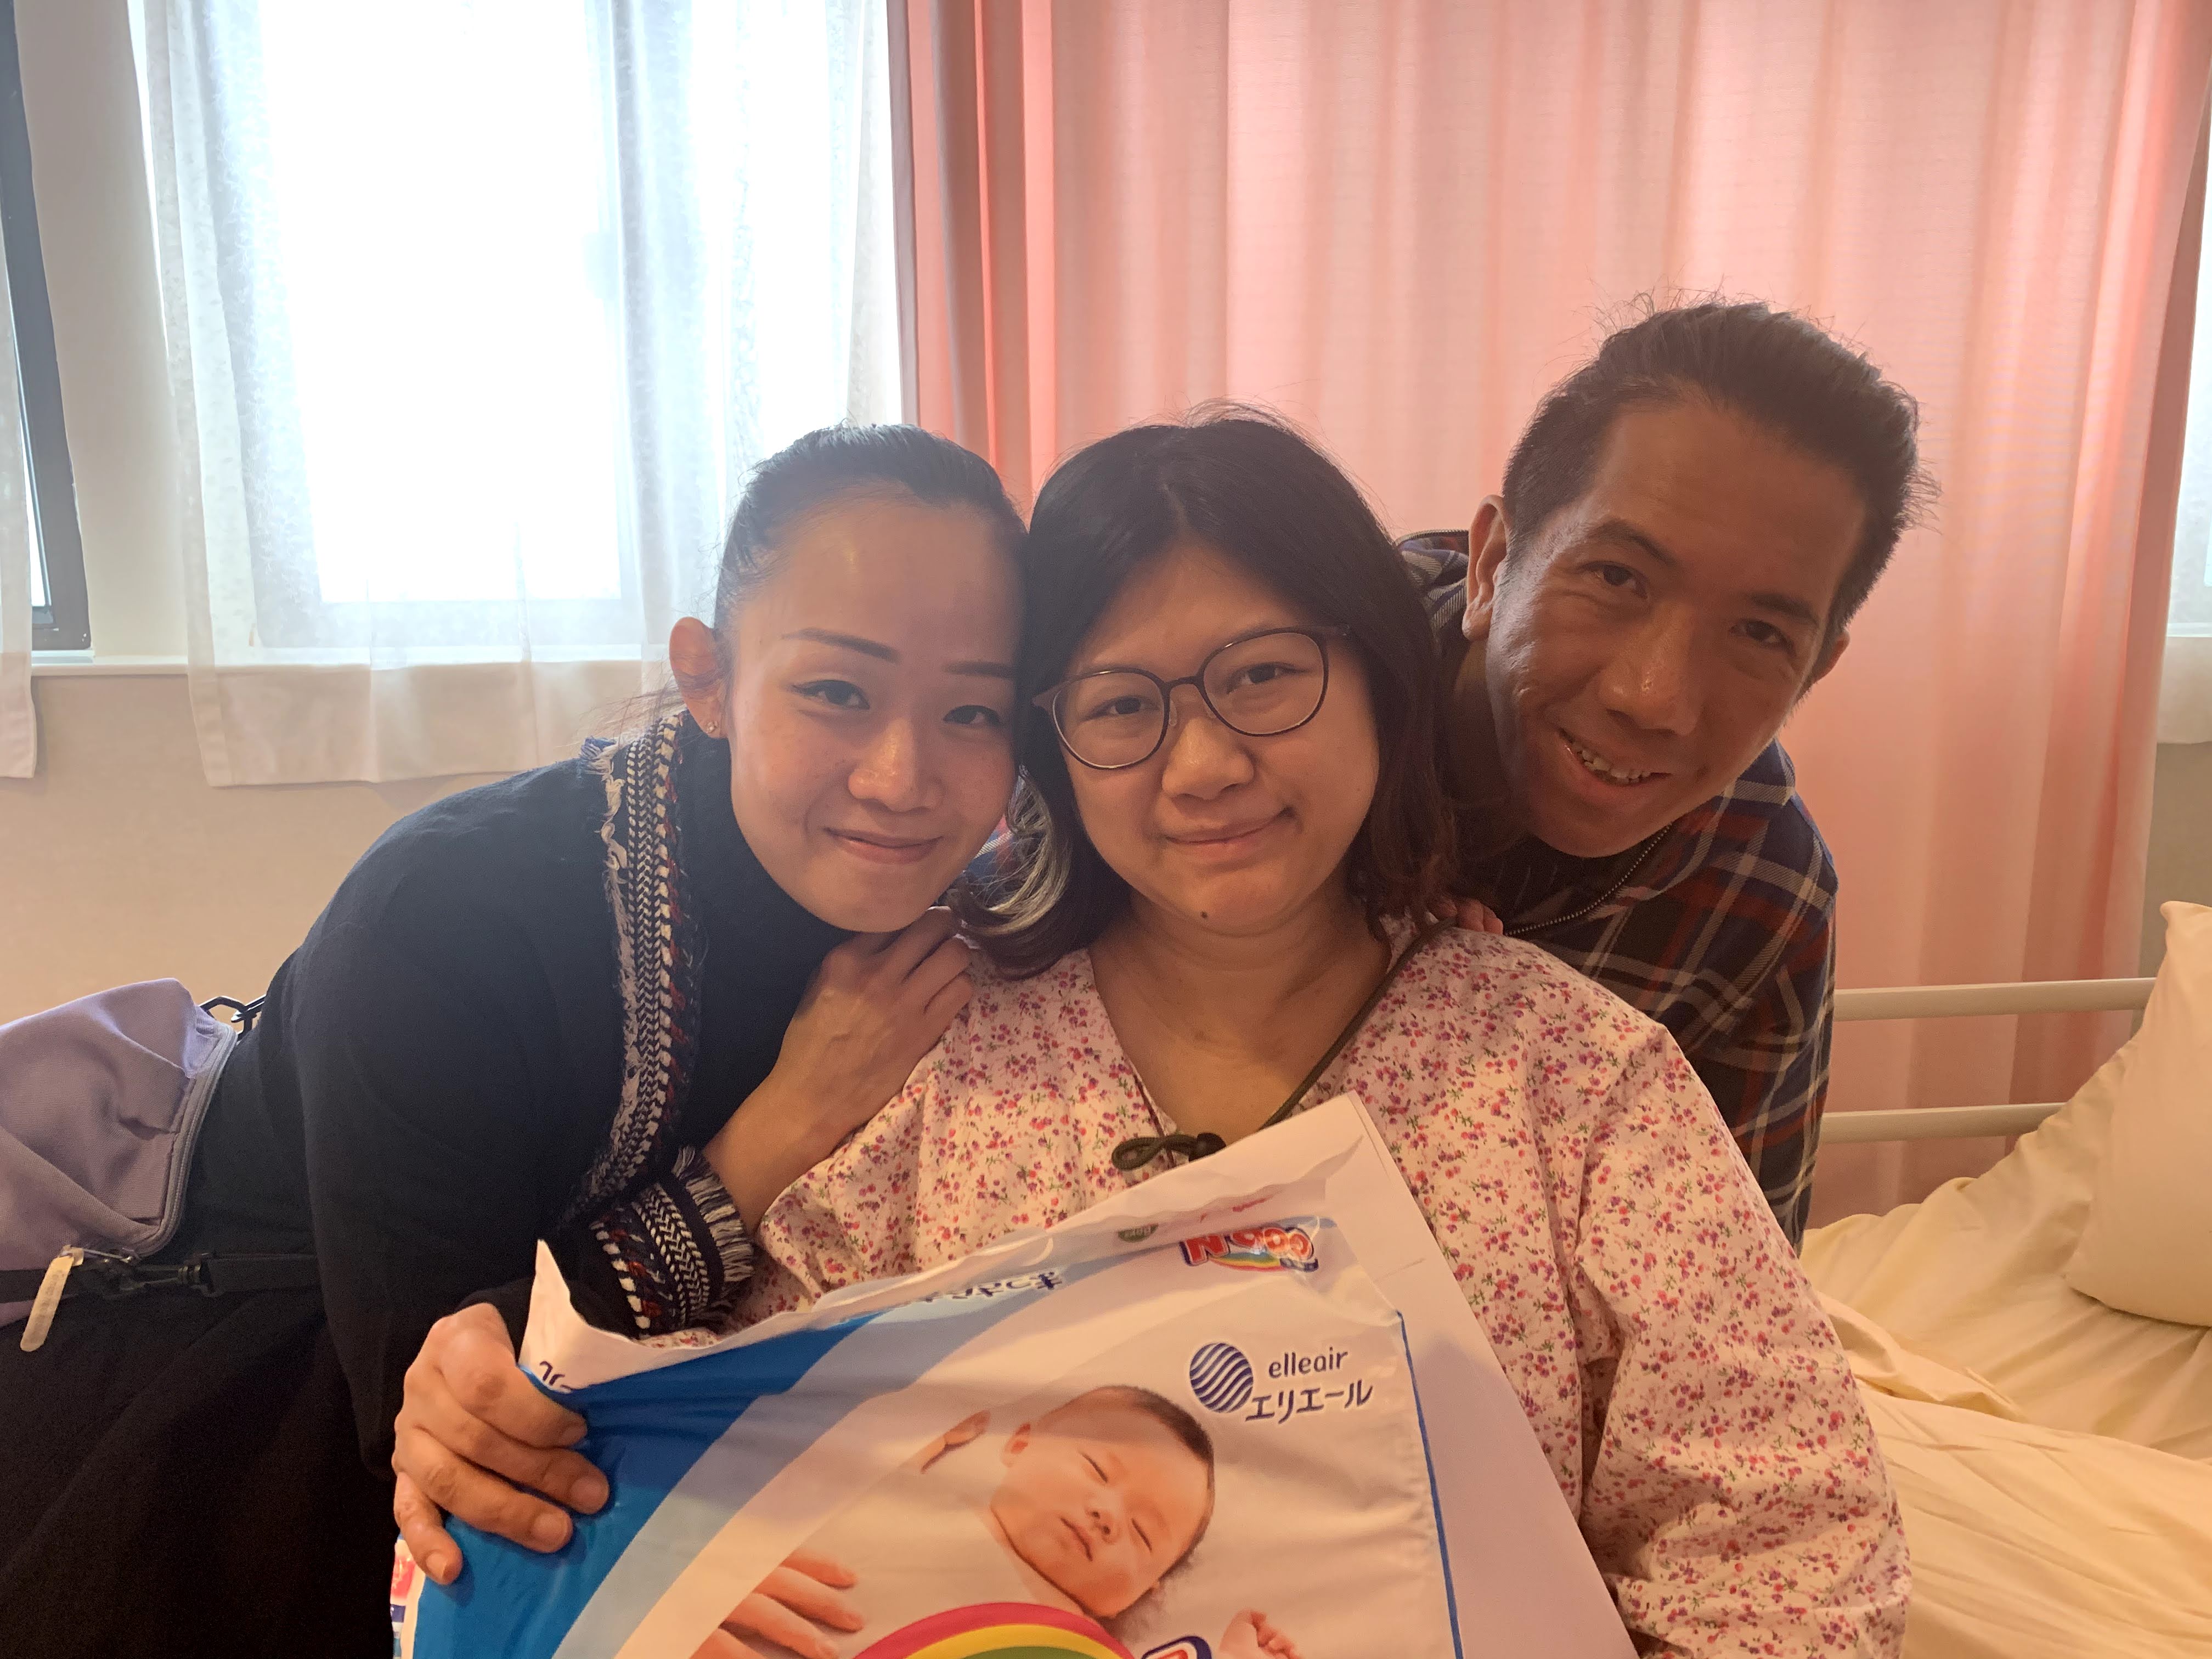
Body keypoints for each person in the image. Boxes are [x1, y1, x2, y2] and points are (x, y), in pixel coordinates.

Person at [740, 412, 1908, 1657]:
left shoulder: (1578, 1082)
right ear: (1054, 747)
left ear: (1379, 683)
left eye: (1262, 677)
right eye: (1121, 704)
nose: (1202, 765)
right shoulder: (933, 1039)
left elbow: (1789, 1556)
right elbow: (757, 1429)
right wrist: (718, 1555)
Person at [0, 425, 1025, 1659]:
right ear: (708, 678)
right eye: (838, 693)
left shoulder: (981, 916)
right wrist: (774, 1137)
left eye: (973, 710)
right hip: (267, 1408)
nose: (905, 776)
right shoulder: (449, 915)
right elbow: (463, 1414)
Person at [1404, 300, 1934, 1246]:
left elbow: (1733, 1279)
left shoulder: (1761, 893)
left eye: (1760, 634)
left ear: (1813, 672)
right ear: (1491, 564)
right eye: (1616, 577)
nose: (1655, 699)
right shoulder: (1290, 698)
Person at [698, 1387, 1295, 1659]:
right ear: (1020, 1444)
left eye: (1143, 1535)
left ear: (1145, 1592)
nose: (1107, 1515)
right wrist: (914, 1435)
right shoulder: (906, 1483)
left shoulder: (1084, 1641)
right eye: (1095, 1469)